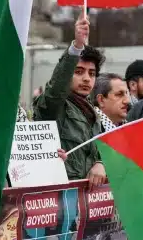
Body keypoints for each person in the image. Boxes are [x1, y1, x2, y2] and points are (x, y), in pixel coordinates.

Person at [33, 13, 106, 187]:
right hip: (59, 197)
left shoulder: (94, 113)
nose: (87, 79)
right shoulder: (54, 105)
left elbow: (102, 151)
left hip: (89, 202)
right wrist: (76, 47)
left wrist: (101, 164)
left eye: (92, 73)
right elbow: (56, 88)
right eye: (79, 72)